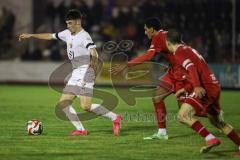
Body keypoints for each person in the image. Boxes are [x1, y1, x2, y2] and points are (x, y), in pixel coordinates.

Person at [19, 9, 122, 136]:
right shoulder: (67, 33)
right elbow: (50, 36)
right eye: (67, 23)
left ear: (78, 23)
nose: (67, 26)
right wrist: (31, 35)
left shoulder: (84, 36)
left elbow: (94, 53)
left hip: (86, 73)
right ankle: (81, 130)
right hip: (75, 74)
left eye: (70, 23)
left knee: (86, 107)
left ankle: (115, 118)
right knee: (63, 103)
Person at [111, 17, 188, 140]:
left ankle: (213, 114)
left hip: (182, 74)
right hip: (174, 71)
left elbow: (148, 56)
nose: (145, 32)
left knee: (185, 114)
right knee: (157, 97)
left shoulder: (158, 37)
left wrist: (127, 65)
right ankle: (162, 133)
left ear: (152, 29)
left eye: (146, 29)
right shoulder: (164, 35)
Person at [165, 30, 240, 154]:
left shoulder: (179, 52)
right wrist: (186, 89)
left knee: (182, 115)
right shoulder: (187, 49)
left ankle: (210, 139)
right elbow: (197, 70)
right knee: (217, 122)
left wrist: (197, 86)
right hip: (213, 85)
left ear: (168, 43)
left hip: (205, 88)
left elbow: (191, 68)